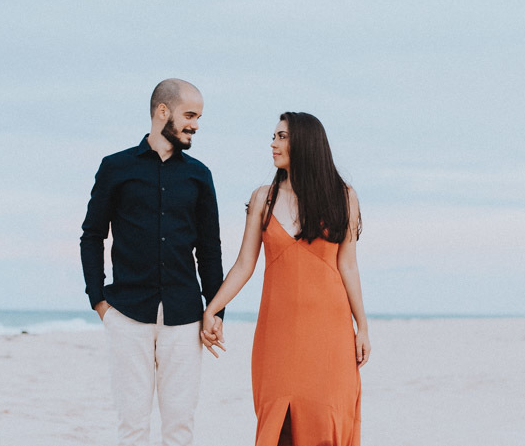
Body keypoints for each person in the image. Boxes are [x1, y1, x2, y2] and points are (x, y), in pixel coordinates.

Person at [201, 111, 369, 446]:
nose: (273, 143)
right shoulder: (263, 197)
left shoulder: (343, 195)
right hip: (277, 333)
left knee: (325, 419)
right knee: (280, 425)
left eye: (282, 136)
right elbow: (244, 264)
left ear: (305, 143)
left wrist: (361, 326)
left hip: (330, 333)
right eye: (274, 136)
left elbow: (348, 266)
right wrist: (213, 308)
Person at [80, 78, 225, 446]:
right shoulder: (115, 167)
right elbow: (92, 235)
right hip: (127, 315)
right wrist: (99, 300)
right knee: (132, 425)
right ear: (163, 112)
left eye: (199, 117)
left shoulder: (199, 176)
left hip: (185, 318)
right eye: (189, 115)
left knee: (180, 426)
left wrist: (216, 312)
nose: (195, 124)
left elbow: (209, 250)